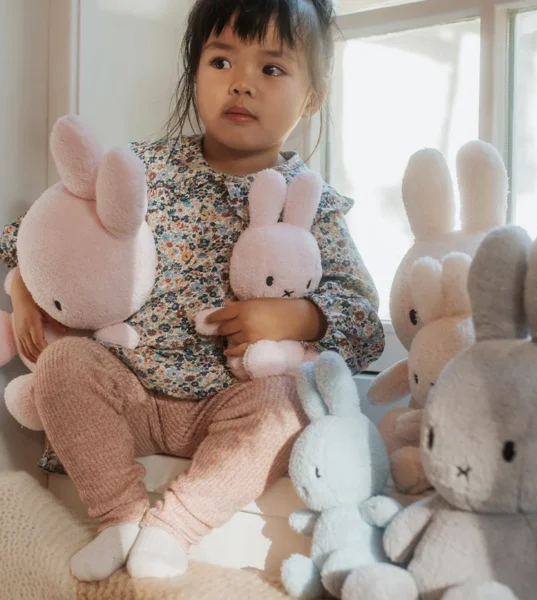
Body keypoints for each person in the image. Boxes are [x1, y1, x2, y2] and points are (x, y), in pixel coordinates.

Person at [0, 0, 384, 581]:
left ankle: (173, 527)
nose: (242, 84)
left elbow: (365, 327)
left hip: (231, 413)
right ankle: (118, 516)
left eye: (271, 69)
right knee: (63, 365)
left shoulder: (313, 203)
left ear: (313, 97)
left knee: (289, 402)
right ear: (194, 72)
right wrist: (25, 290)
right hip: (129, 393)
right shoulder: (143, 169)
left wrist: (298, 317)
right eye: (221, 62)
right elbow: (37, 236)